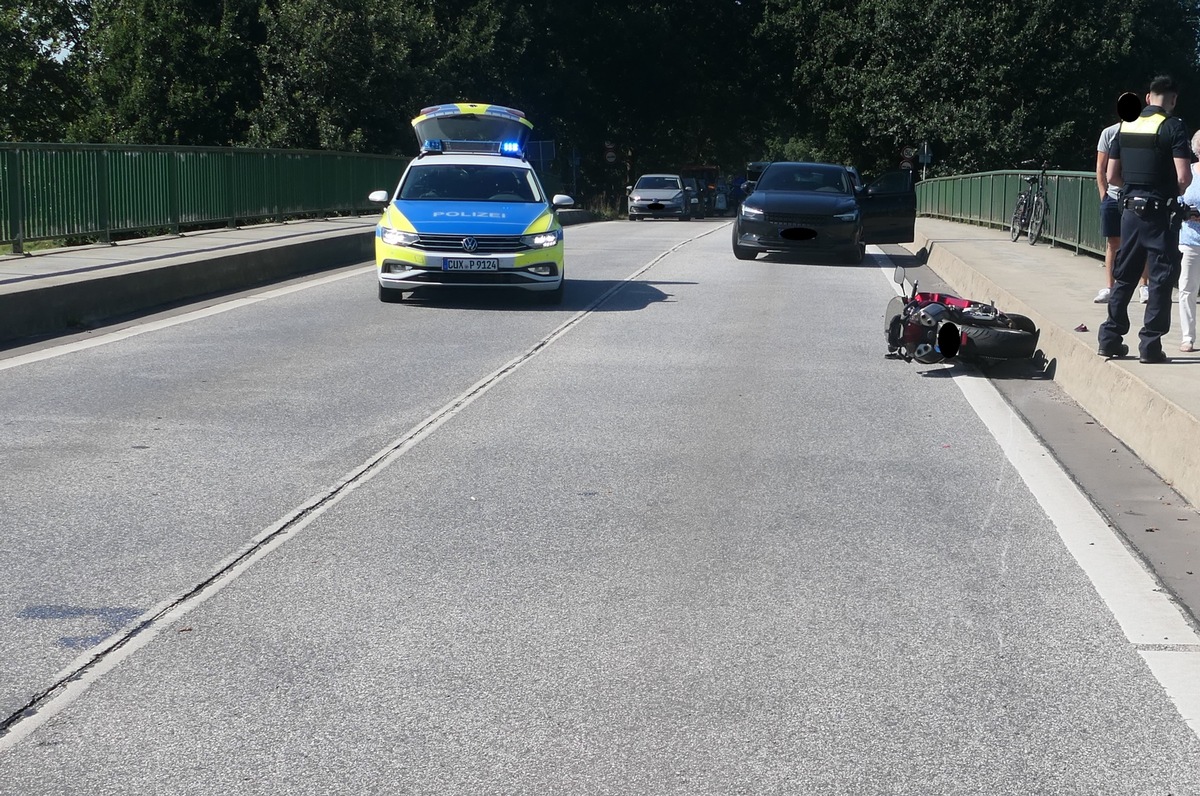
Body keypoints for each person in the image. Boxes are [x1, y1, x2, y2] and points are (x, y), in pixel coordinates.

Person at [1098, 75, 1193, 363]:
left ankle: (1110, 338)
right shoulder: (1173, 127)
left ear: (1149, 97)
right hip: (1158, 215)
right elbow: (1184, 177)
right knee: (1160, 280)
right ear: (1173, 100)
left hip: (1128, 212)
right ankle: (1150, 346)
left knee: (1125, 276)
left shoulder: (1126, 126)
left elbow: (1112, 175)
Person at [1094, 93, 1150, 304]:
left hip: (1137, 196)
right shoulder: (1109, 133)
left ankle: (1143, 286)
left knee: (1140, 242)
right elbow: (1100, 167)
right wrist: (1104, 195)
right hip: (1113, 196)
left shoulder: (1143, 132)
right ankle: (1110, 286)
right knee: (1113, 243)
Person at [1178, 130, 1200, 352]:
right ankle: (1188, 336)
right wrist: (1186, 212)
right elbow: (1177, 200)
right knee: (1187, 288)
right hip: (1190, 239)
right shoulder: (1189, 173)